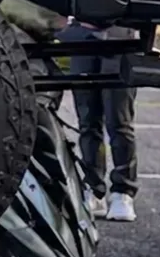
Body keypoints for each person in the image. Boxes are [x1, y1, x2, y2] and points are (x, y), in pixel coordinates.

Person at [59, 16, 139, 222]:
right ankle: (94, 189)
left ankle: (123, 192)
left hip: (120, 37)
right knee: (88, 122)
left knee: (118, 122)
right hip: (84, 39)